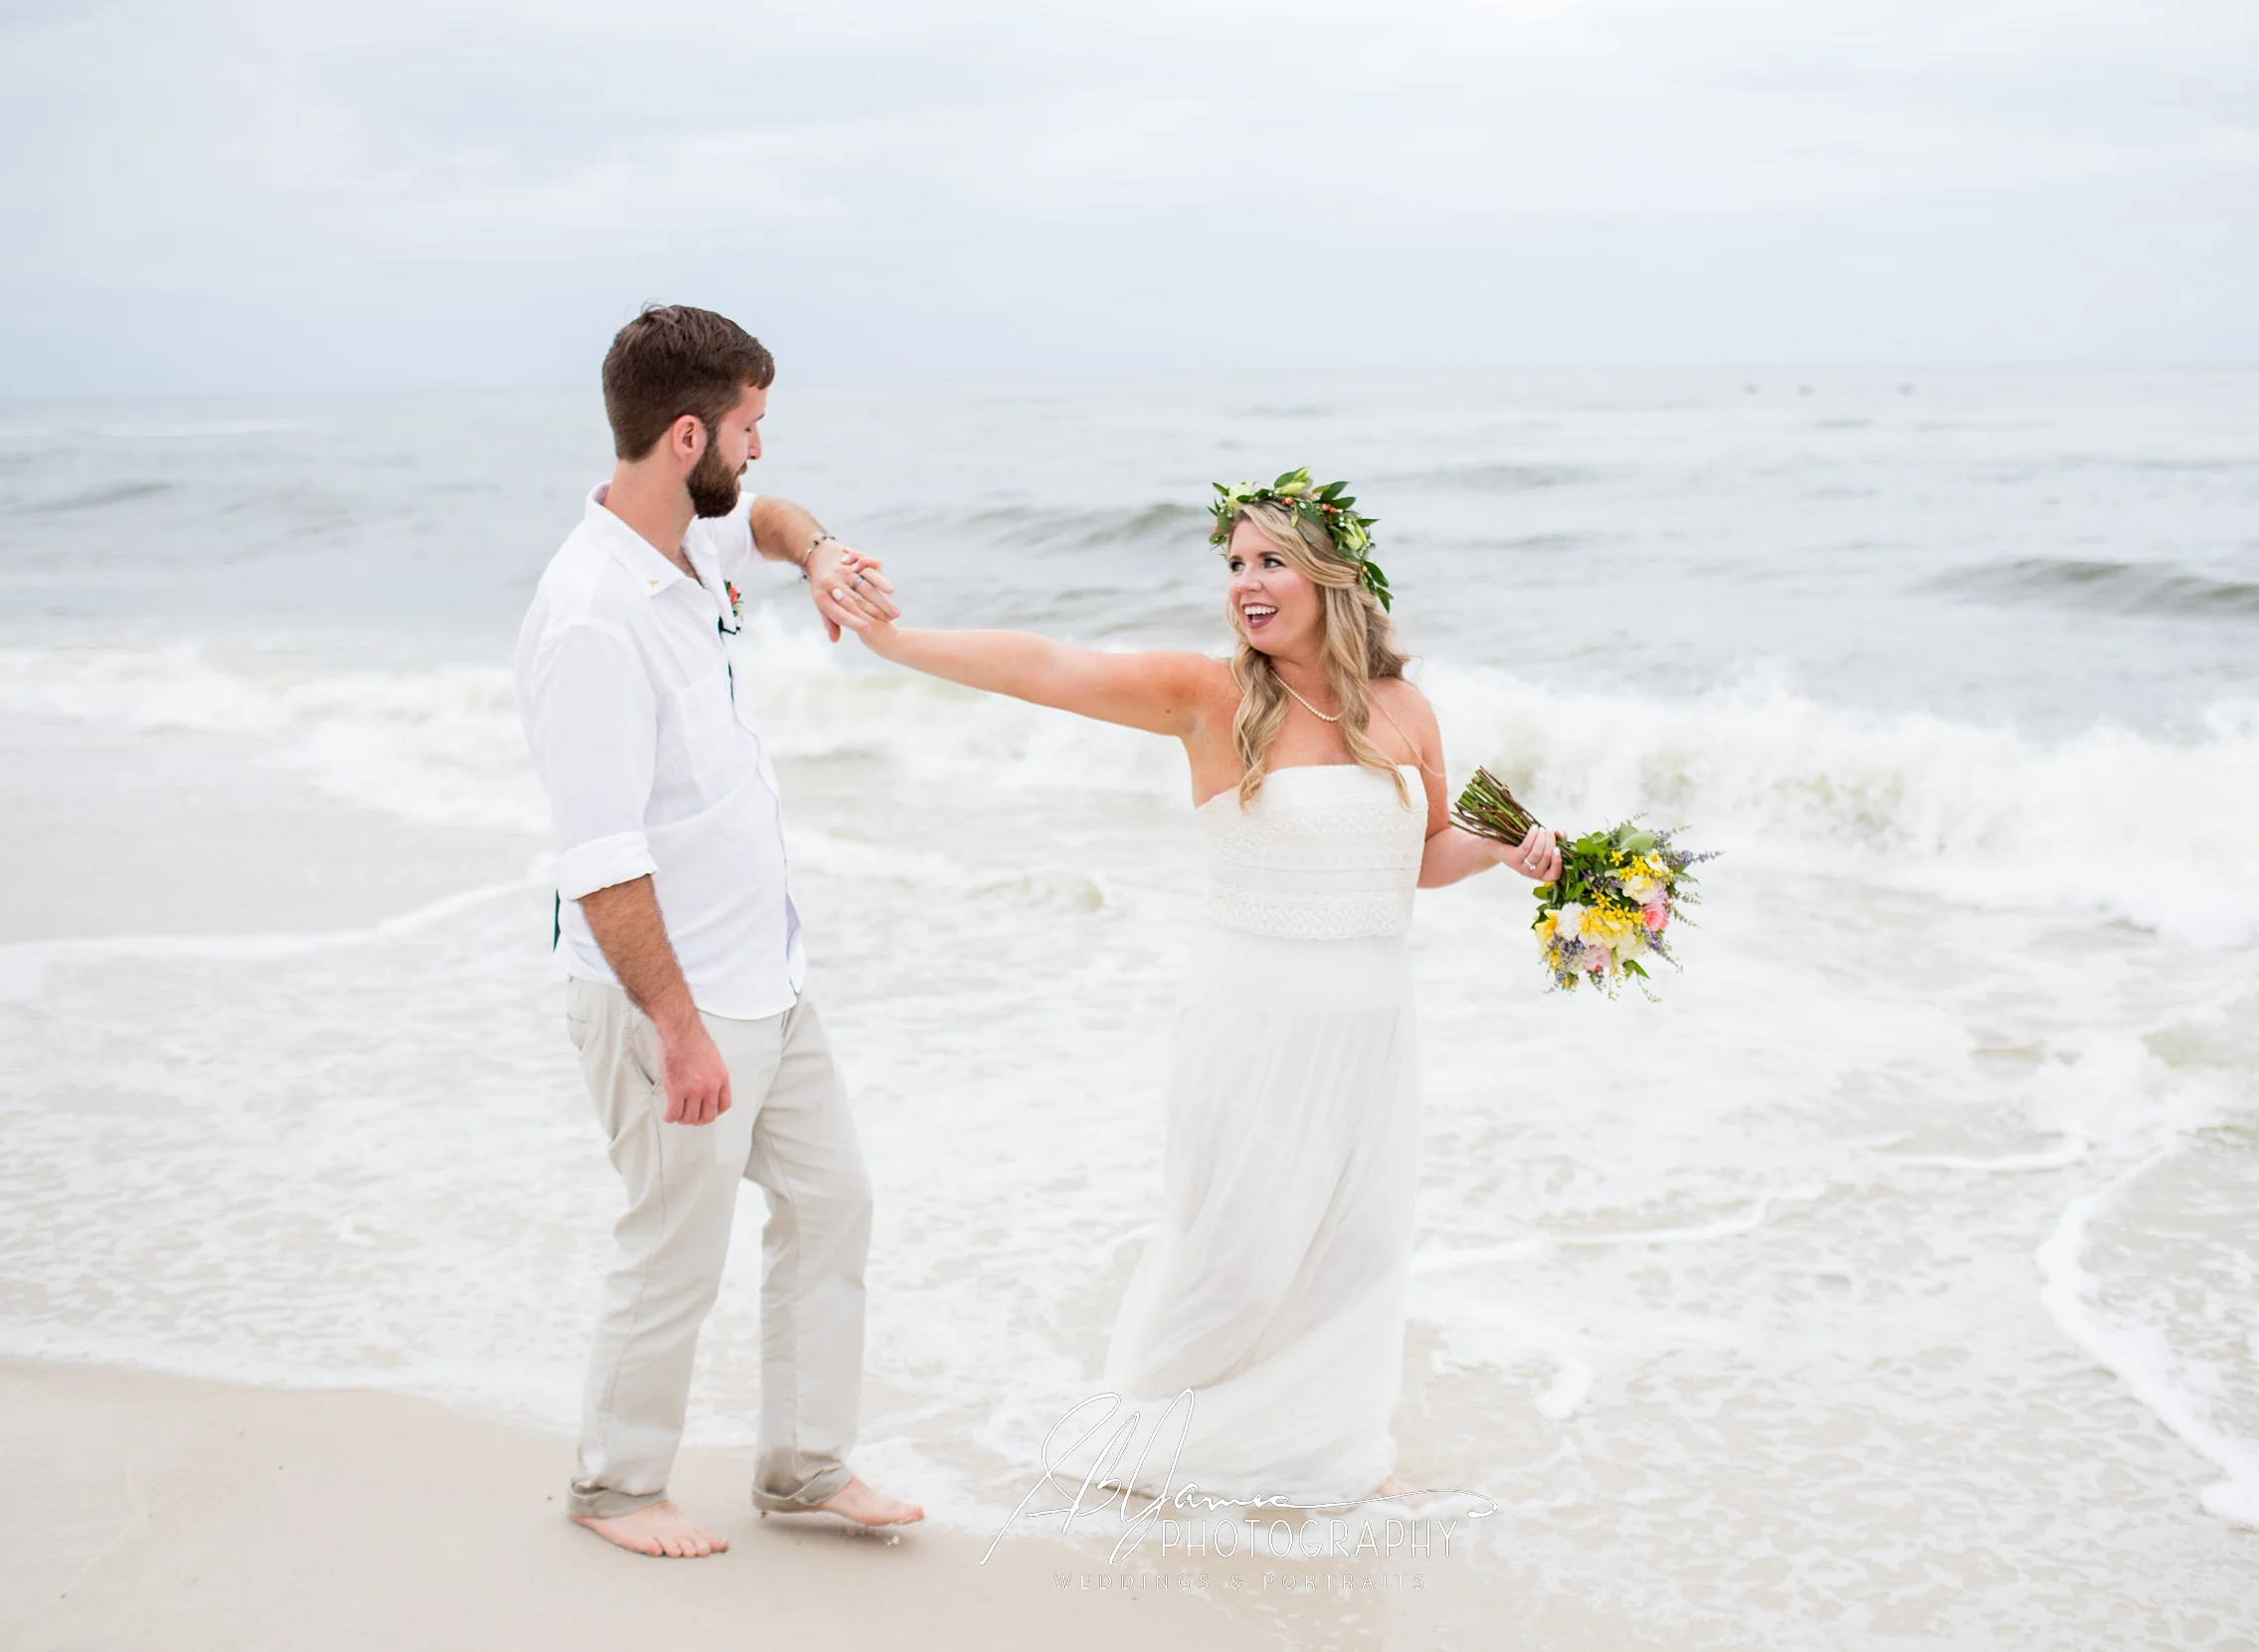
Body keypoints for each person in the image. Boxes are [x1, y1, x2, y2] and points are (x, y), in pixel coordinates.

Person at [818, 471, 1560, 1506]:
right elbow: (1047, 664)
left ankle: (1325, 1449)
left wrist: (1495, 852)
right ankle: (1154, 1432)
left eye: (1270, 561)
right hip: (1252, 1012)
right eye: (1233, 564)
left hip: (1374, 1019)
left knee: (1355, 1240)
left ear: (1333, 574)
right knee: (1237, 1250)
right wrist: (897, 642)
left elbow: (1419, 854)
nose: (1245, 583)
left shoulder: (1405, 708)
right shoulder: (1209, 696)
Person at [513, 304, 921, 1558]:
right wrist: (679, 1032)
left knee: (834, 1200)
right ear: (685, 433)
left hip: (771, 977)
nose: (755, 452)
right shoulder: (593, 613)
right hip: (672, 997)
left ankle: (803, 1469)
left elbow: (773, 519)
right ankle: (616, 1486)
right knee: (674, 1244)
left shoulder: (693, 545)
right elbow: (601, 859)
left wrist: (826, 556)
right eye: (745, 429)